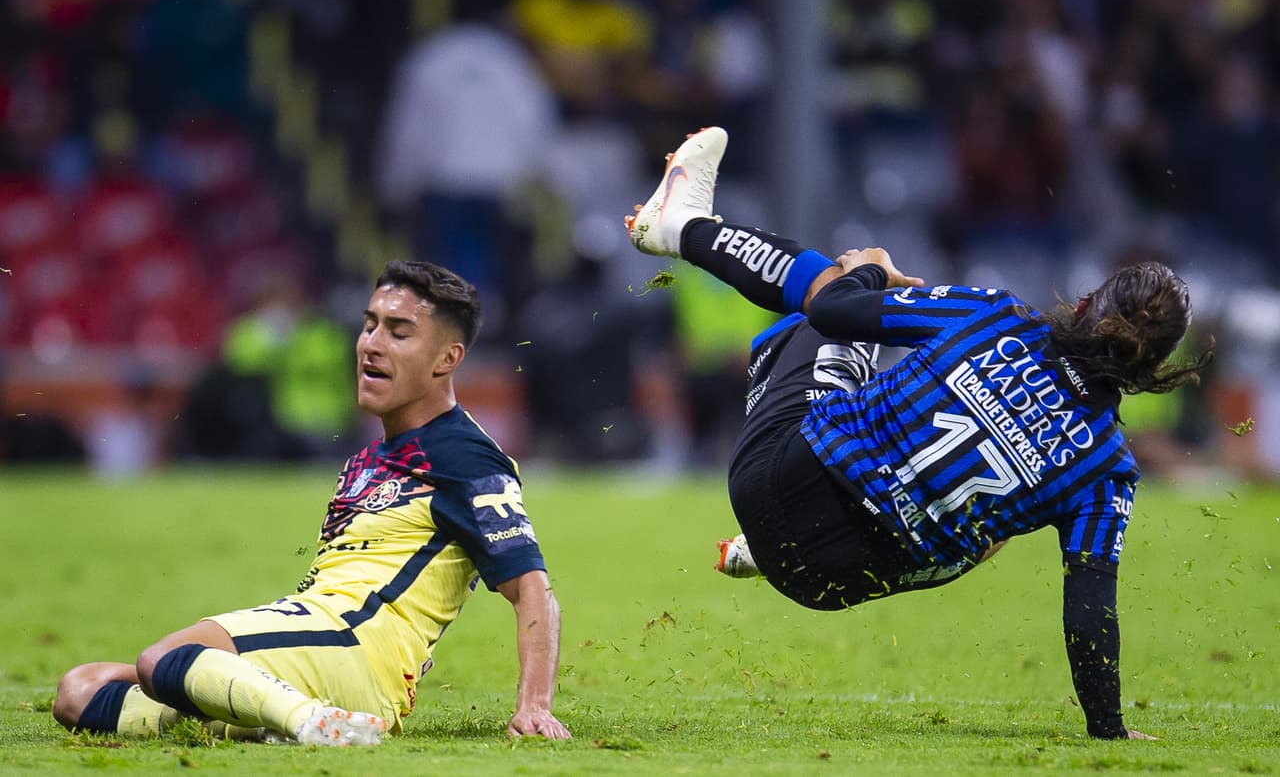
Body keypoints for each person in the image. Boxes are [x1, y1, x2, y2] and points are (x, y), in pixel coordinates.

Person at [624, 127, 1211, 741]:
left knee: (826, 291)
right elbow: (1090, 608)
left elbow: (834, 313)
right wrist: (1109, 729)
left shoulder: (999, 315)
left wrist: (874, 273)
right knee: (989, 525)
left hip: (771, 479)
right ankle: (767, 553)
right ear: (1157, 368)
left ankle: (681, 227)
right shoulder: (1108, 470)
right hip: (831, 583)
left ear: (1089, 300)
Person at [52, 261, 570, 745]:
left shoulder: (468, 457)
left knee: (163, 659)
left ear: (448, 359)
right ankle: (281, 715)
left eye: (399, 332)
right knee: (80, 691)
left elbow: (532, 589)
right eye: (370, 325)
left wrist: (534, 706)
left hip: (358, 651)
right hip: (315, 633)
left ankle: (310, 723)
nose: (372, 344)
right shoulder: (364, 460)